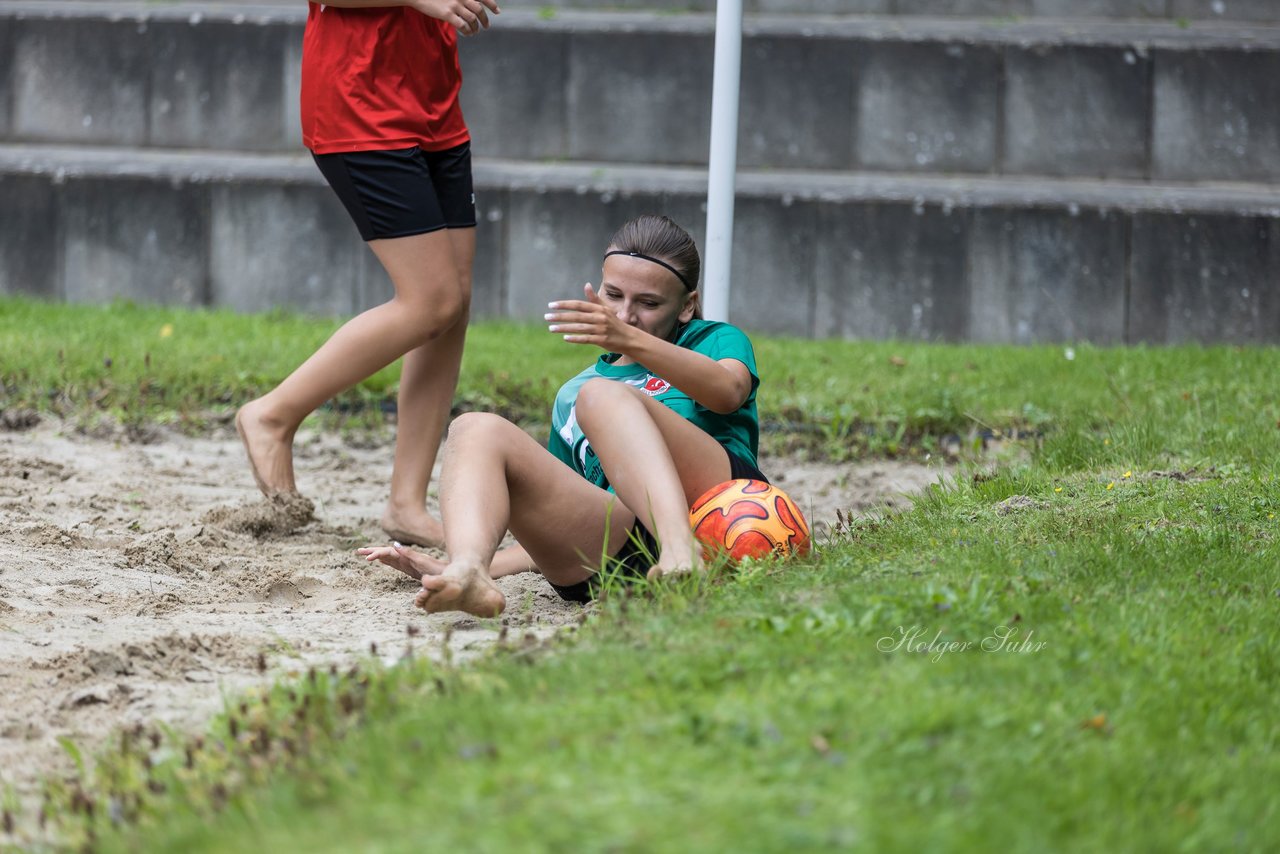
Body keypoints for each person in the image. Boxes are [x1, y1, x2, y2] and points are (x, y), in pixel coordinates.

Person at [358, 215, 767, 617]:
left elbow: (728, 393)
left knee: (601, 398)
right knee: (473, 427)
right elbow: (556, 513)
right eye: (613, 295)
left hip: (721, 514)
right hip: (621, 556)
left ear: (685, 306)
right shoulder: (573, 393)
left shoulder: (712, 340)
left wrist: (631, 343)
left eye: (648, 303)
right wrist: (465, 565)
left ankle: (680, 547)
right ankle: (469, 568)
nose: (624, 316)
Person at [235, 0, 501, 549]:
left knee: (455, 299)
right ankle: (272, 416)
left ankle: (406, 504)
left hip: (431, 98)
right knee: (431, 300)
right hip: (360, 104)